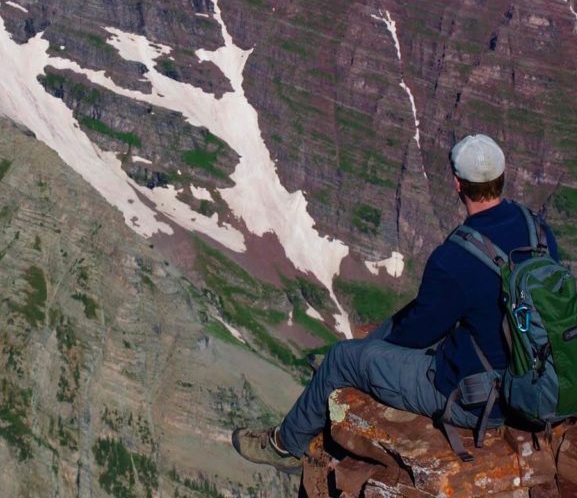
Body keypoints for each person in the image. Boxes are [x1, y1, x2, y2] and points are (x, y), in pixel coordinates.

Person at [231, 134, 559, 474]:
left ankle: (286, 445)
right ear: (501, 178)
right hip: (540, 375)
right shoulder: (537, 228)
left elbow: (417, 334)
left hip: (478, 399)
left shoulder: (456, 256)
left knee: (343, 358)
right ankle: (351, 362)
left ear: (457, 183)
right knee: (411, 315)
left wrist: (367, 358)